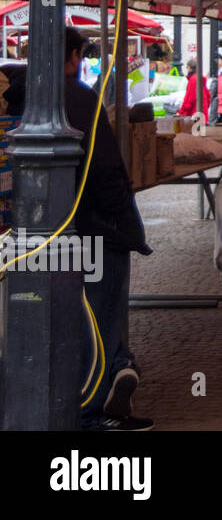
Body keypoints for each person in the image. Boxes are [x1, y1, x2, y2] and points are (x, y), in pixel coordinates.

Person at [4, 30, 154, 430]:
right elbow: (104, 171)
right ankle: (92, 410)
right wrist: (129, 226)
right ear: (72, 56)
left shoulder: (21, 98)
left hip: (37, 231)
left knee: (64, 319)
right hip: (92, 228)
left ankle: (117, 370)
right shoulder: (76, 97)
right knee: (99, 319)